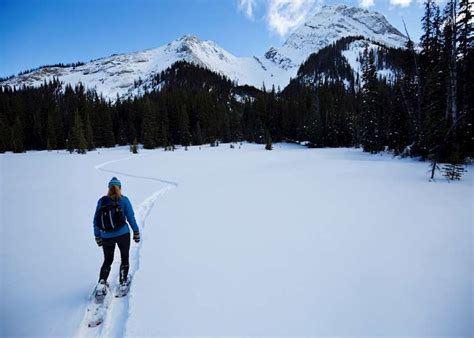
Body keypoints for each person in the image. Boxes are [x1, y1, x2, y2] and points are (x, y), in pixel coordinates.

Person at [93, 177, 140, 297]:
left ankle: (102, 283)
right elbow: (131, 217)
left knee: (108, 260)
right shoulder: (124, 200)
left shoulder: (102, 201)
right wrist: (136, 232)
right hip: (123, 234)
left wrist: (97, 235)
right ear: (120, 188)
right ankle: (123, 282)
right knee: (124, 257)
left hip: (106, 236)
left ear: (109, 188)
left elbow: (96, 220)